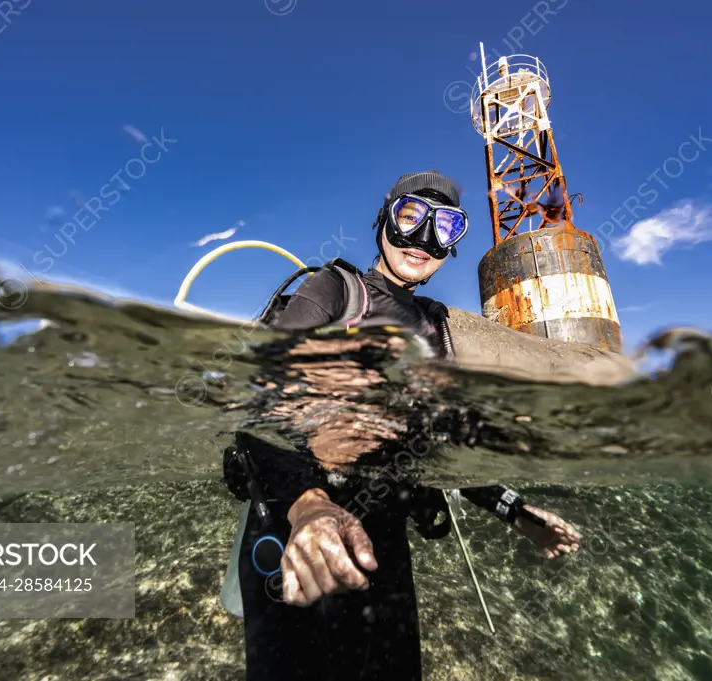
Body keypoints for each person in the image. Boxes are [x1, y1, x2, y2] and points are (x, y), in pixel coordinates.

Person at [223, 170, 581, 681]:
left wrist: (513, 509)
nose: (422, 239)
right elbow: (261, 410)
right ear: (384, 221)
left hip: (382, 539)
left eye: (446, 227)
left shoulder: (436, 327)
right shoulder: (332, 291)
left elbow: (433, 447)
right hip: (292, 525)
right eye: (411, 217)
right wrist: (308, 507)